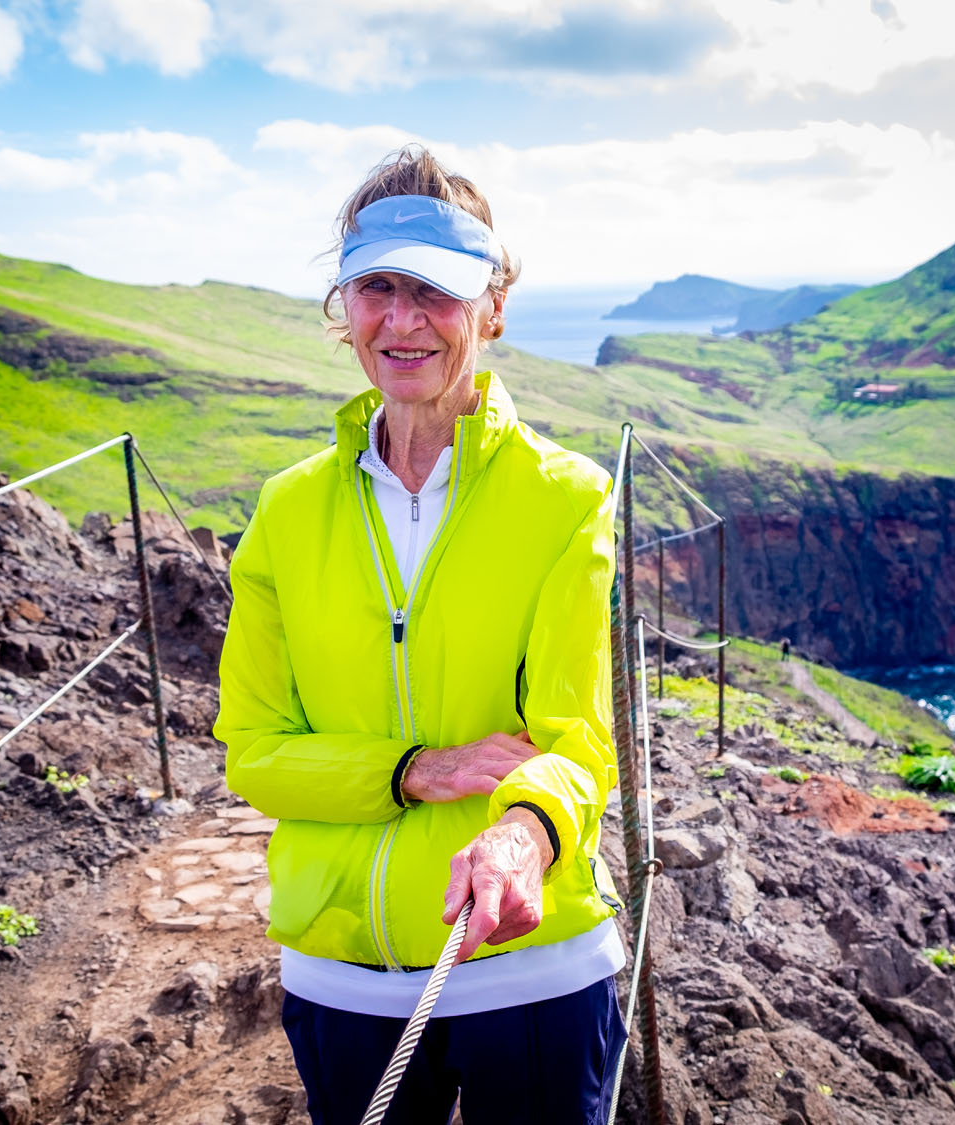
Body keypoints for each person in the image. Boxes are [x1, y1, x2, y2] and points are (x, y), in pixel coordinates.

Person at [214, 146, 628, 1125]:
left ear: (490, 306)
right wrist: (415, 769)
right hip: (341, 974)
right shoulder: (284, 511)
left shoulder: (564, 499)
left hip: (528, 971)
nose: (401, 322)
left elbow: (575, 744)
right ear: (343, 307)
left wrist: (524, 836)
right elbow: (255, 755)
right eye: (376, 289)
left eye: (434, 293)